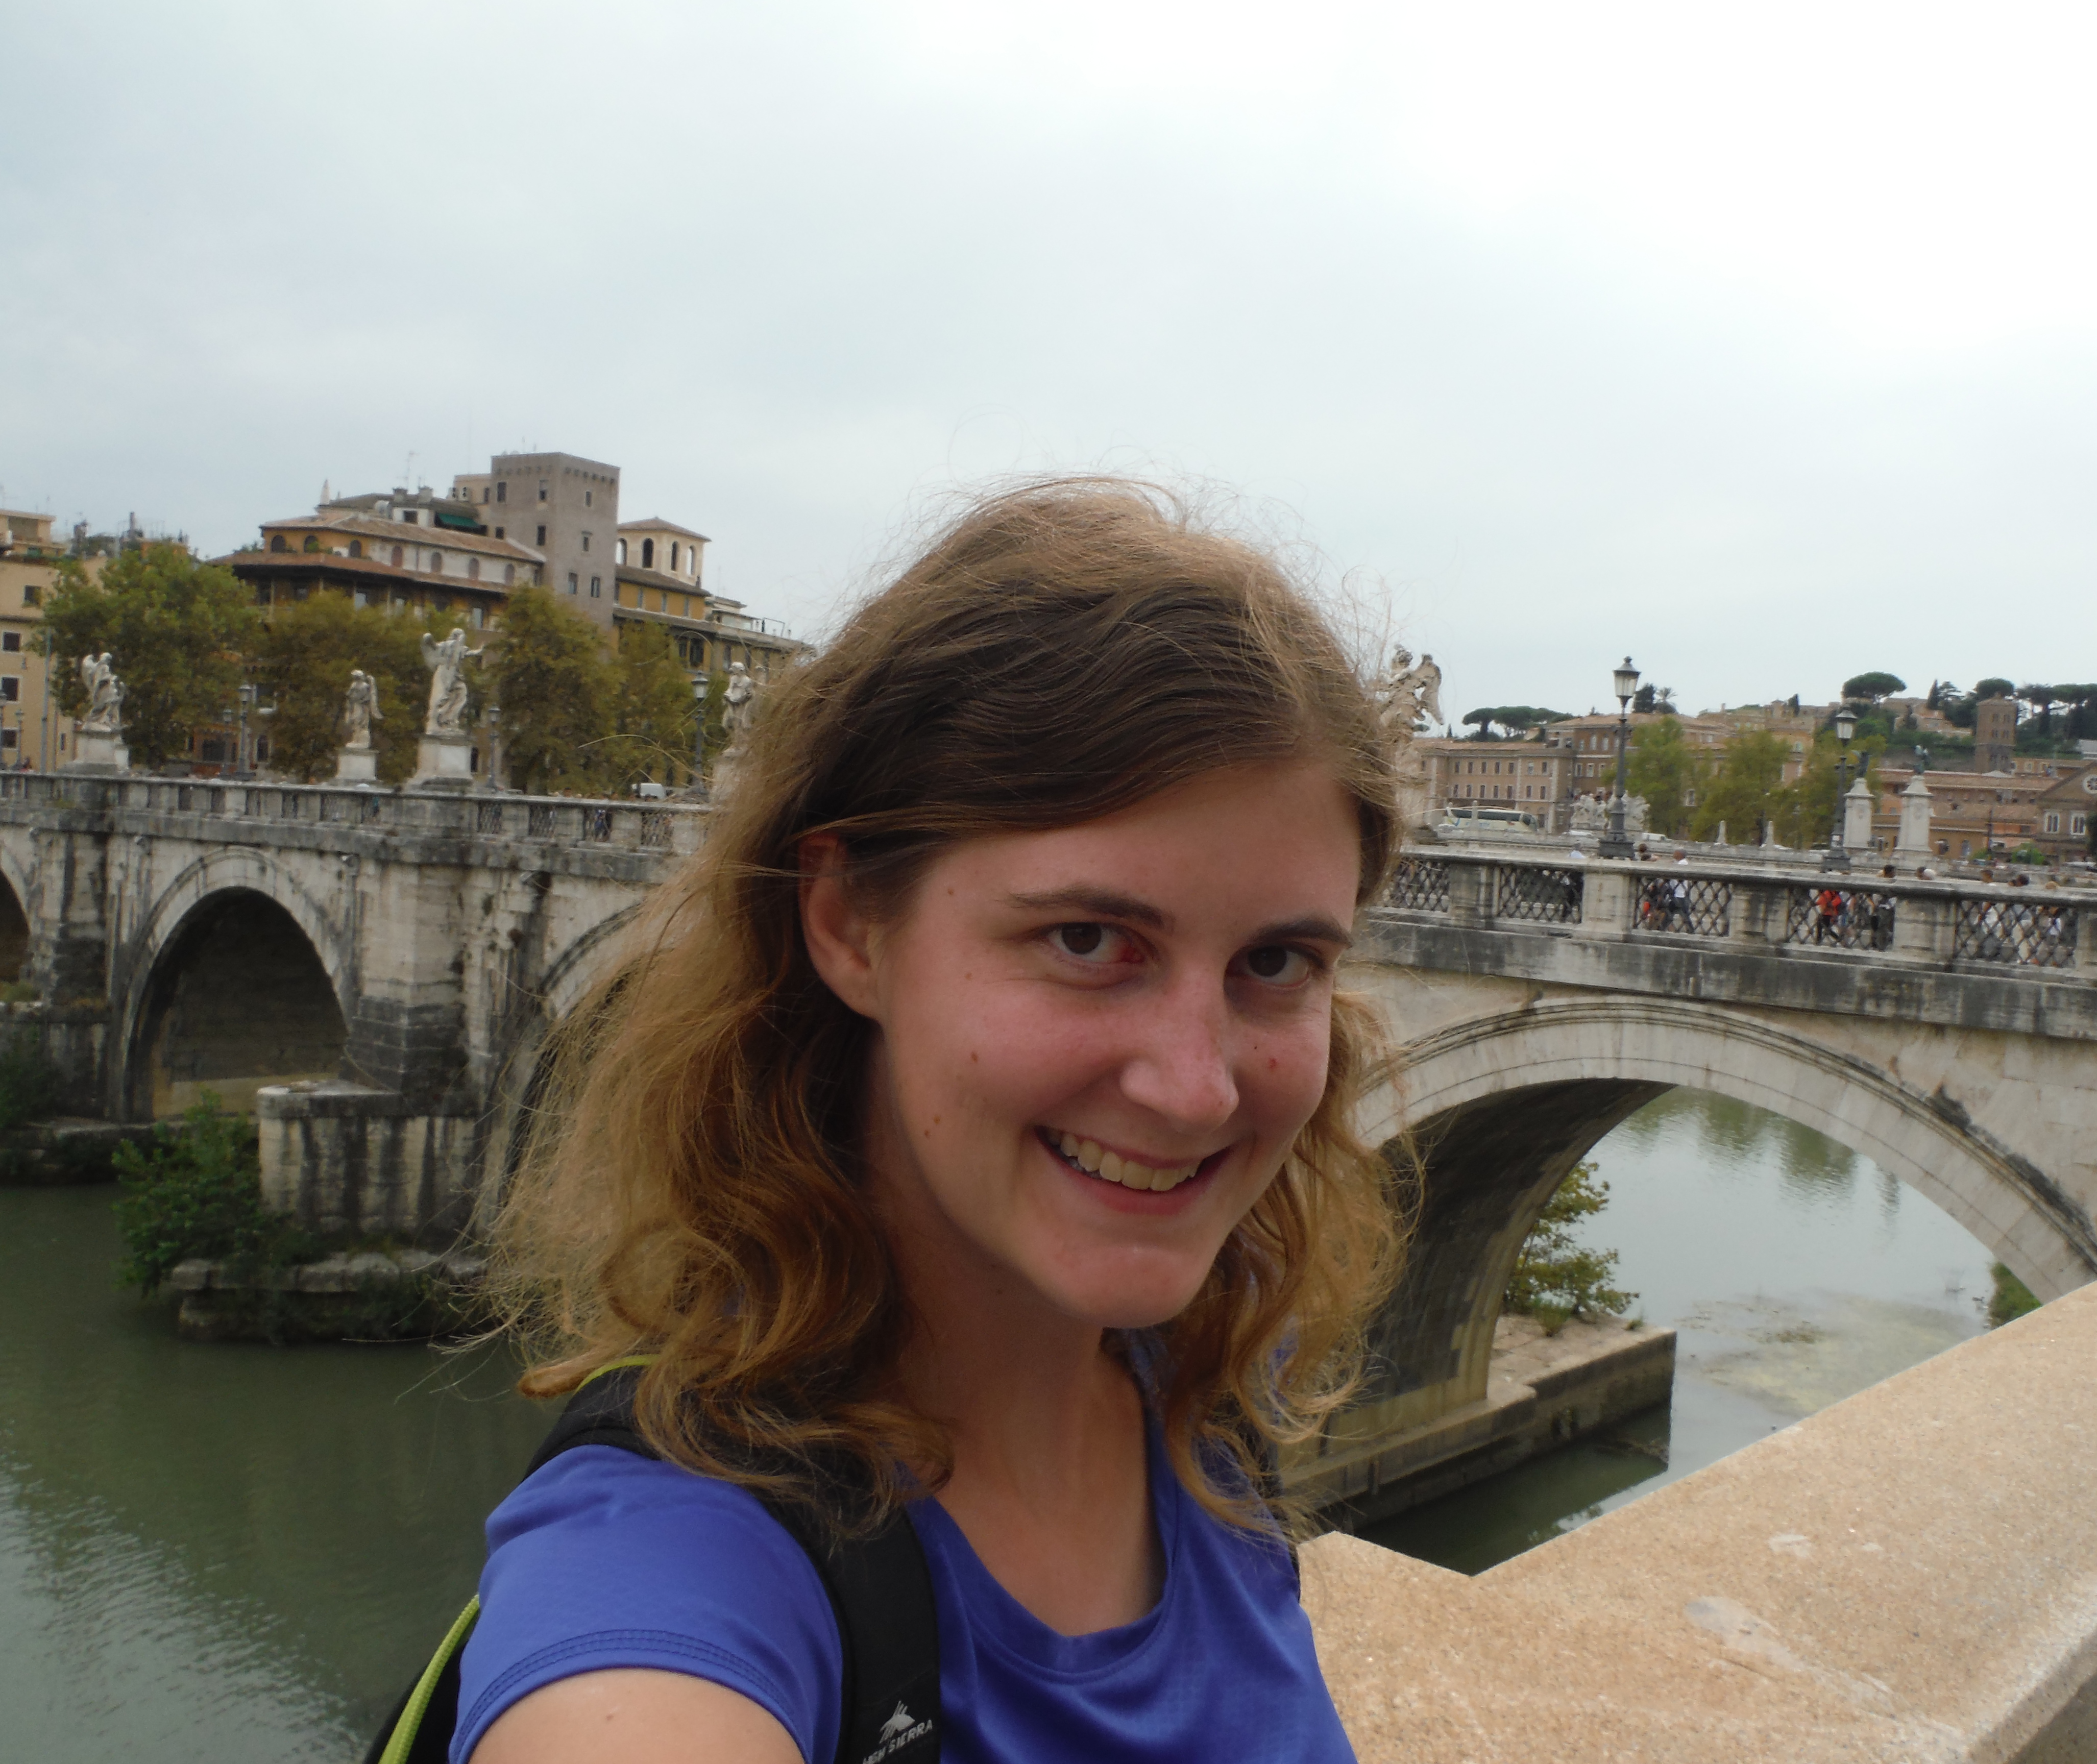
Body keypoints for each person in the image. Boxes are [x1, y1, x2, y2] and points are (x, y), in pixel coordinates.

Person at [458, 483, 1404, 1764]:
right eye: (1088, 939)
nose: (1199, 1088)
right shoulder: (672, 1552)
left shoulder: (1209, 1391)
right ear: (849, 922)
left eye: (1279, 961)